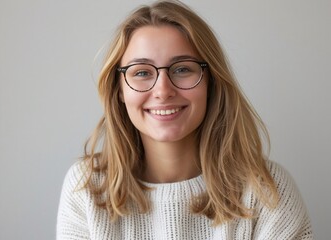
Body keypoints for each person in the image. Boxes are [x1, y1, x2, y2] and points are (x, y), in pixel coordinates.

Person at [56, 0, 313, 239]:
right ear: (119, 91)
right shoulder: (88, 188)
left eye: (182, 69)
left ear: (211, 82)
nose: (163, 90)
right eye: (142, 72)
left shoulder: (267, 192)